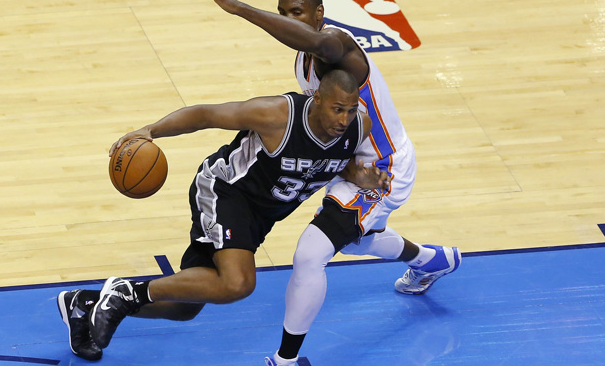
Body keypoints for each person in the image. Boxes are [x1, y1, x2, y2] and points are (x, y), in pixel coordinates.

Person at [195, 0, 461, 366]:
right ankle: (430, 260)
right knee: (354, 237)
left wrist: (239, 8)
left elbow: (316, 41)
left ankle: (286, 360)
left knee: (311, 253)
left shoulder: (339, 47)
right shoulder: (304, 63)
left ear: (320, 14)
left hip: (384, 168)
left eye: (298, 13)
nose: (290, 20)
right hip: (350, 163)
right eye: (284, 13)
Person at [56, 70, 390, 360]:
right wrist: (151, 131)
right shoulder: (277, 115)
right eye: (336, 109)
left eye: (349, 109)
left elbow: (334, 163)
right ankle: (126, 292)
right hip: (225, 191)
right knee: (238, 283)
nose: (343, 119)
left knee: (185, 306)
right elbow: (205, 114)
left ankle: (84, 303)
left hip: (258, 217)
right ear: (316, 99)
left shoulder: (356, 127)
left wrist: (362, 178)